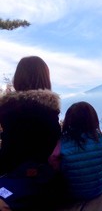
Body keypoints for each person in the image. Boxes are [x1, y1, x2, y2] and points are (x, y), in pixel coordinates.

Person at [0, 56, 61, 210]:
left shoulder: (6, 110)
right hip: (45, 184)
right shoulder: (49, 109)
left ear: (18, 78)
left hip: (13, 179)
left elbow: (7, 151)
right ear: (45, 78)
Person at [49, 101, 102, 202]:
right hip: (97, 190)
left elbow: (53, 158)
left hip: (73, 194)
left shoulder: (64, 141)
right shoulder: (98, 138)